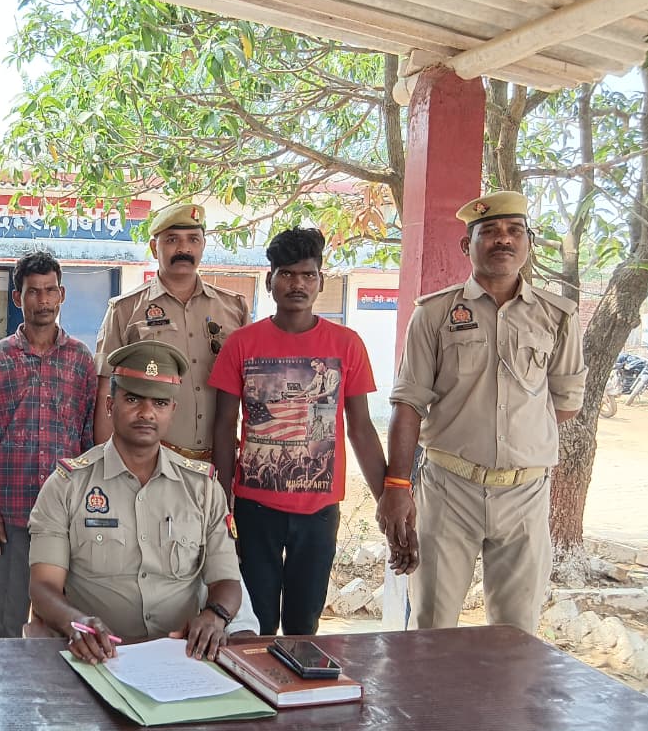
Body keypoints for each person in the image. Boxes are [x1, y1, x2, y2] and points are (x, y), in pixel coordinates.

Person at [377, 191, 586, 634]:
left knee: (516, 635)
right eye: (489, 231)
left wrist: (515, 439)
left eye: (514, 231)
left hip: (525, 494)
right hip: (449, 488)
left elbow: (564, 404)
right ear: (466, 245)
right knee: (432, 627)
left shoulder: (557, 317)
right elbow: (408, 403)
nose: (503, 240)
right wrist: (396, 486)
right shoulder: (434, 314)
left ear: (528, 242)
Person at [28, 340, 258, 665]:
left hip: (184, 656)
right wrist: (76, 623)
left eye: (160, 403)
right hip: (98, 656)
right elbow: (43, 587)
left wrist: (215, 616)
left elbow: (227, 580)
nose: (147, 413)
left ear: (172, 410)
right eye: (133, 399)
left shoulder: (202, 488)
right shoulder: (67, 486)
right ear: (110, 405)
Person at [209, 227, 386, 636]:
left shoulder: (347, 345)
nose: (298, 284)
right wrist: (221, 503)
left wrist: (387, 498)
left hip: (319, 512)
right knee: (256, 623)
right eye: (287, 274)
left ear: (320, 281)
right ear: (269, 280)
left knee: (304, 624)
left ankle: (299, 680)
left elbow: (361, 429)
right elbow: (223, 428)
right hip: (255, 510)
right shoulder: (241, 344)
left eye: (308, 275)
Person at [0, 251, 96, 638]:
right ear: (17, 297)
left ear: (62, 295)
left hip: (67, 518)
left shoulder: (81, 360)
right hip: (11, 516)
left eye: (50, 291)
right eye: (33, 292)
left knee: (64, 626)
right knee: (6, 626)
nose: (43, 300)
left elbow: (89, 440)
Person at [93, 203, 249, 460]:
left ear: (203, 245)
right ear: (155, 248)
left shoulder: (234, 308)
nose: (183, 249)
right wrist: (105, 465)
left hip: (219, 461)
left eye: (193, 239)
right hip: (152, 462)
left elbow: (250, 391)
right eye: (172, 239)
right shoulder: (125, 309)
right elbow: (106, 393)